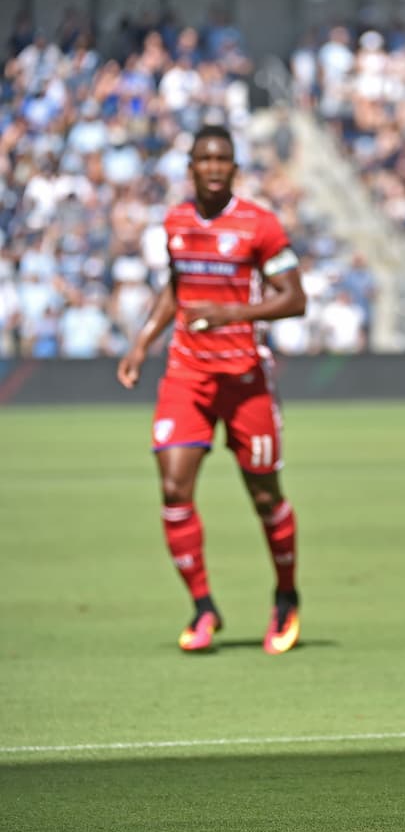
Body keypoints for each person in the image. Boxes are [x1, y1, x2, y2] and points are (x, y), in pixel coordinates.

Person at [116, 124, 307, 655]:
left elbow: (295, 299)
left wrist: (231, 314)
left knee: (265, 496)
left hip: (245, 380)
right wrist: (141, 344)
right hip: (187, 375)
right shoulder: (175, 221)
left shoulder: (259, 224)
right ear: (191, 168)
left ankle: (286, 596)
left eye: (223, 159)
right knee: (174, 489)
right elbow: (176, 287)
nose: (215, 167)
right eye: (205, 159)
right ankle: (203, 608)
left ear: (235, 168)